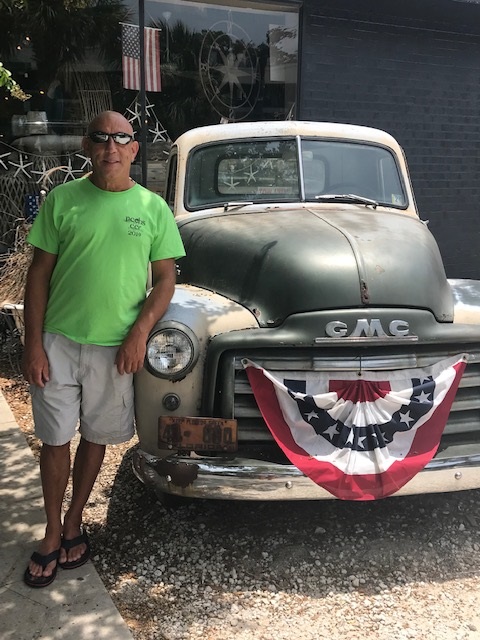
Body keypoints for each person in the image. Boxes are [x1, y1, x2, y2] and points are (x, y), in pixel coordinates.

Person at [22, 110, 185, 588]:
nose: (110, 146)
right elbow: (39, 274)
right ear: (86, 146)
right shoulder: (62, 201)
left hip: (116, 350)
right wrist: (33, 342)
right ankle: (52, 532)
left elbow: (165, 280)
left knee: (96, 437)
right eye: (101, 137)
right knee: (55, 440)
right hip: (58, 342)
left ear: (134, 150)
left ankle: (75, 522)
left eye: (121, 138)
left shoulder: (153, 209)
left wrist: (139, 334)